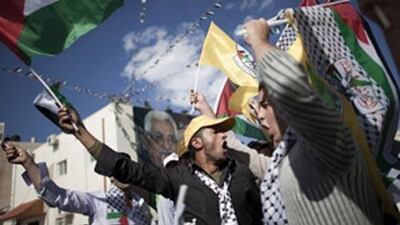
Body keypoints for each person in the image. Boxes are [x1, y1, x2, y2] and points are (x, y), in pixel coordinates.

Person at [240, 18, 385, 225]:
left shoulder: (326, 142)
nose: (260, 116)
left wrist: (257, 39)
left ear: (285, 104)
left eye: (265, 104)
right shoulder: (282, 162)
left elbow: (288, 85)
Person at [56, 106, 262, 225]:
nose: (224, 136)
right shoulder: (179, 180)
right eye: (215, 132)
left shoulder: (241, 173)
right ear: (197, 143)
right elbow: (127, 169)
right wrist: (80, 131)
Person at [2, 142, 153, 225]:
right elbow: (59, 197)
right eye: (119, 170)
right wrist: (28, 163)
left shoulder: (142, 205)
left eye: (128, 169)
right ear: (111, 177)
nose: (124, 174)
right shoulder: (97, 201)